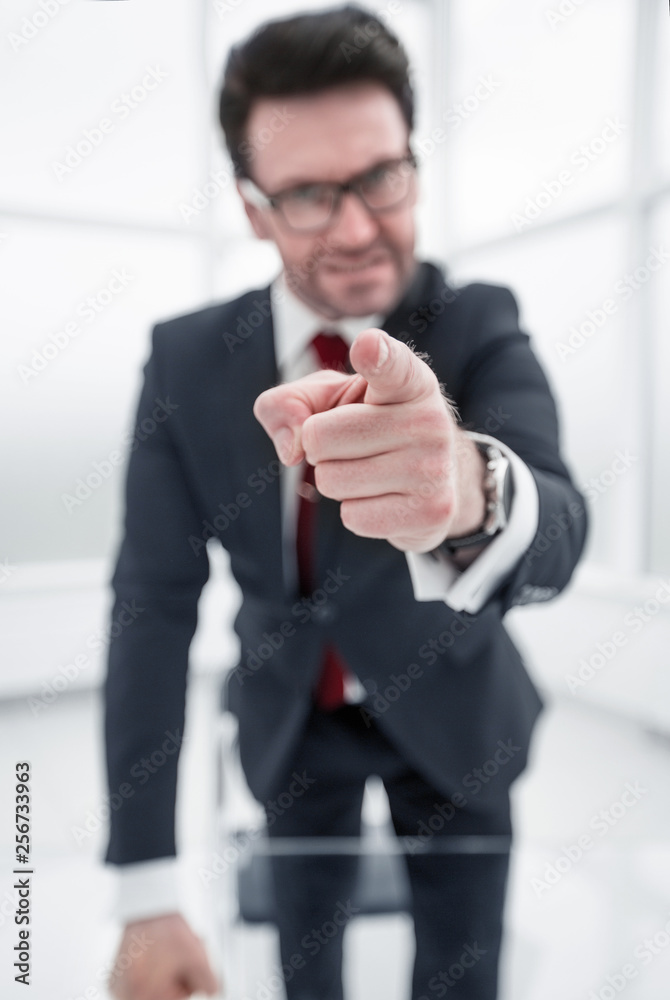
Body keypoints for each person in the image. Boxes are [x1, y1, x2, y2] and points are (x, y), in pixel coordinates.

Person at [103, 6, 588, 999]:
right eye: (309, 195)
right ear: (253, 209)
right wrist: (145, 891)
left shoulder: (479, 322)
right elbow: (152, 604)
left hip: (458, 717)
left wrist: (465, 488)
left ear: (414, 163)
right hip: (291, 725)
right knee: (302, 974)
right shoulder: (184, 362)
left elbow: (561, 527)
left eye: (381, 177)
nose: (360, 228)